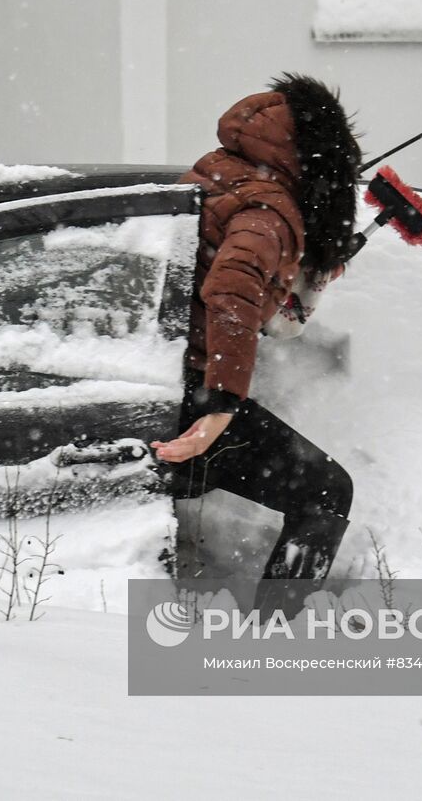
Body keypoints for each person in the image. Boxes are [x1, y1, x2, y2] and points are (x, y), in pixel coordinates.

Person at [151, 73, 362, 618]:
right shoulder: (272, 213)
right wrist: (221, 403)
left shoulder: (221, 169)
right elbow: (231, 287)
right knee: (326, 492)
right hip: (190, 398)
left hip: (149, 370)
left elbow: (217, 264)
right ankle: (274, 631)